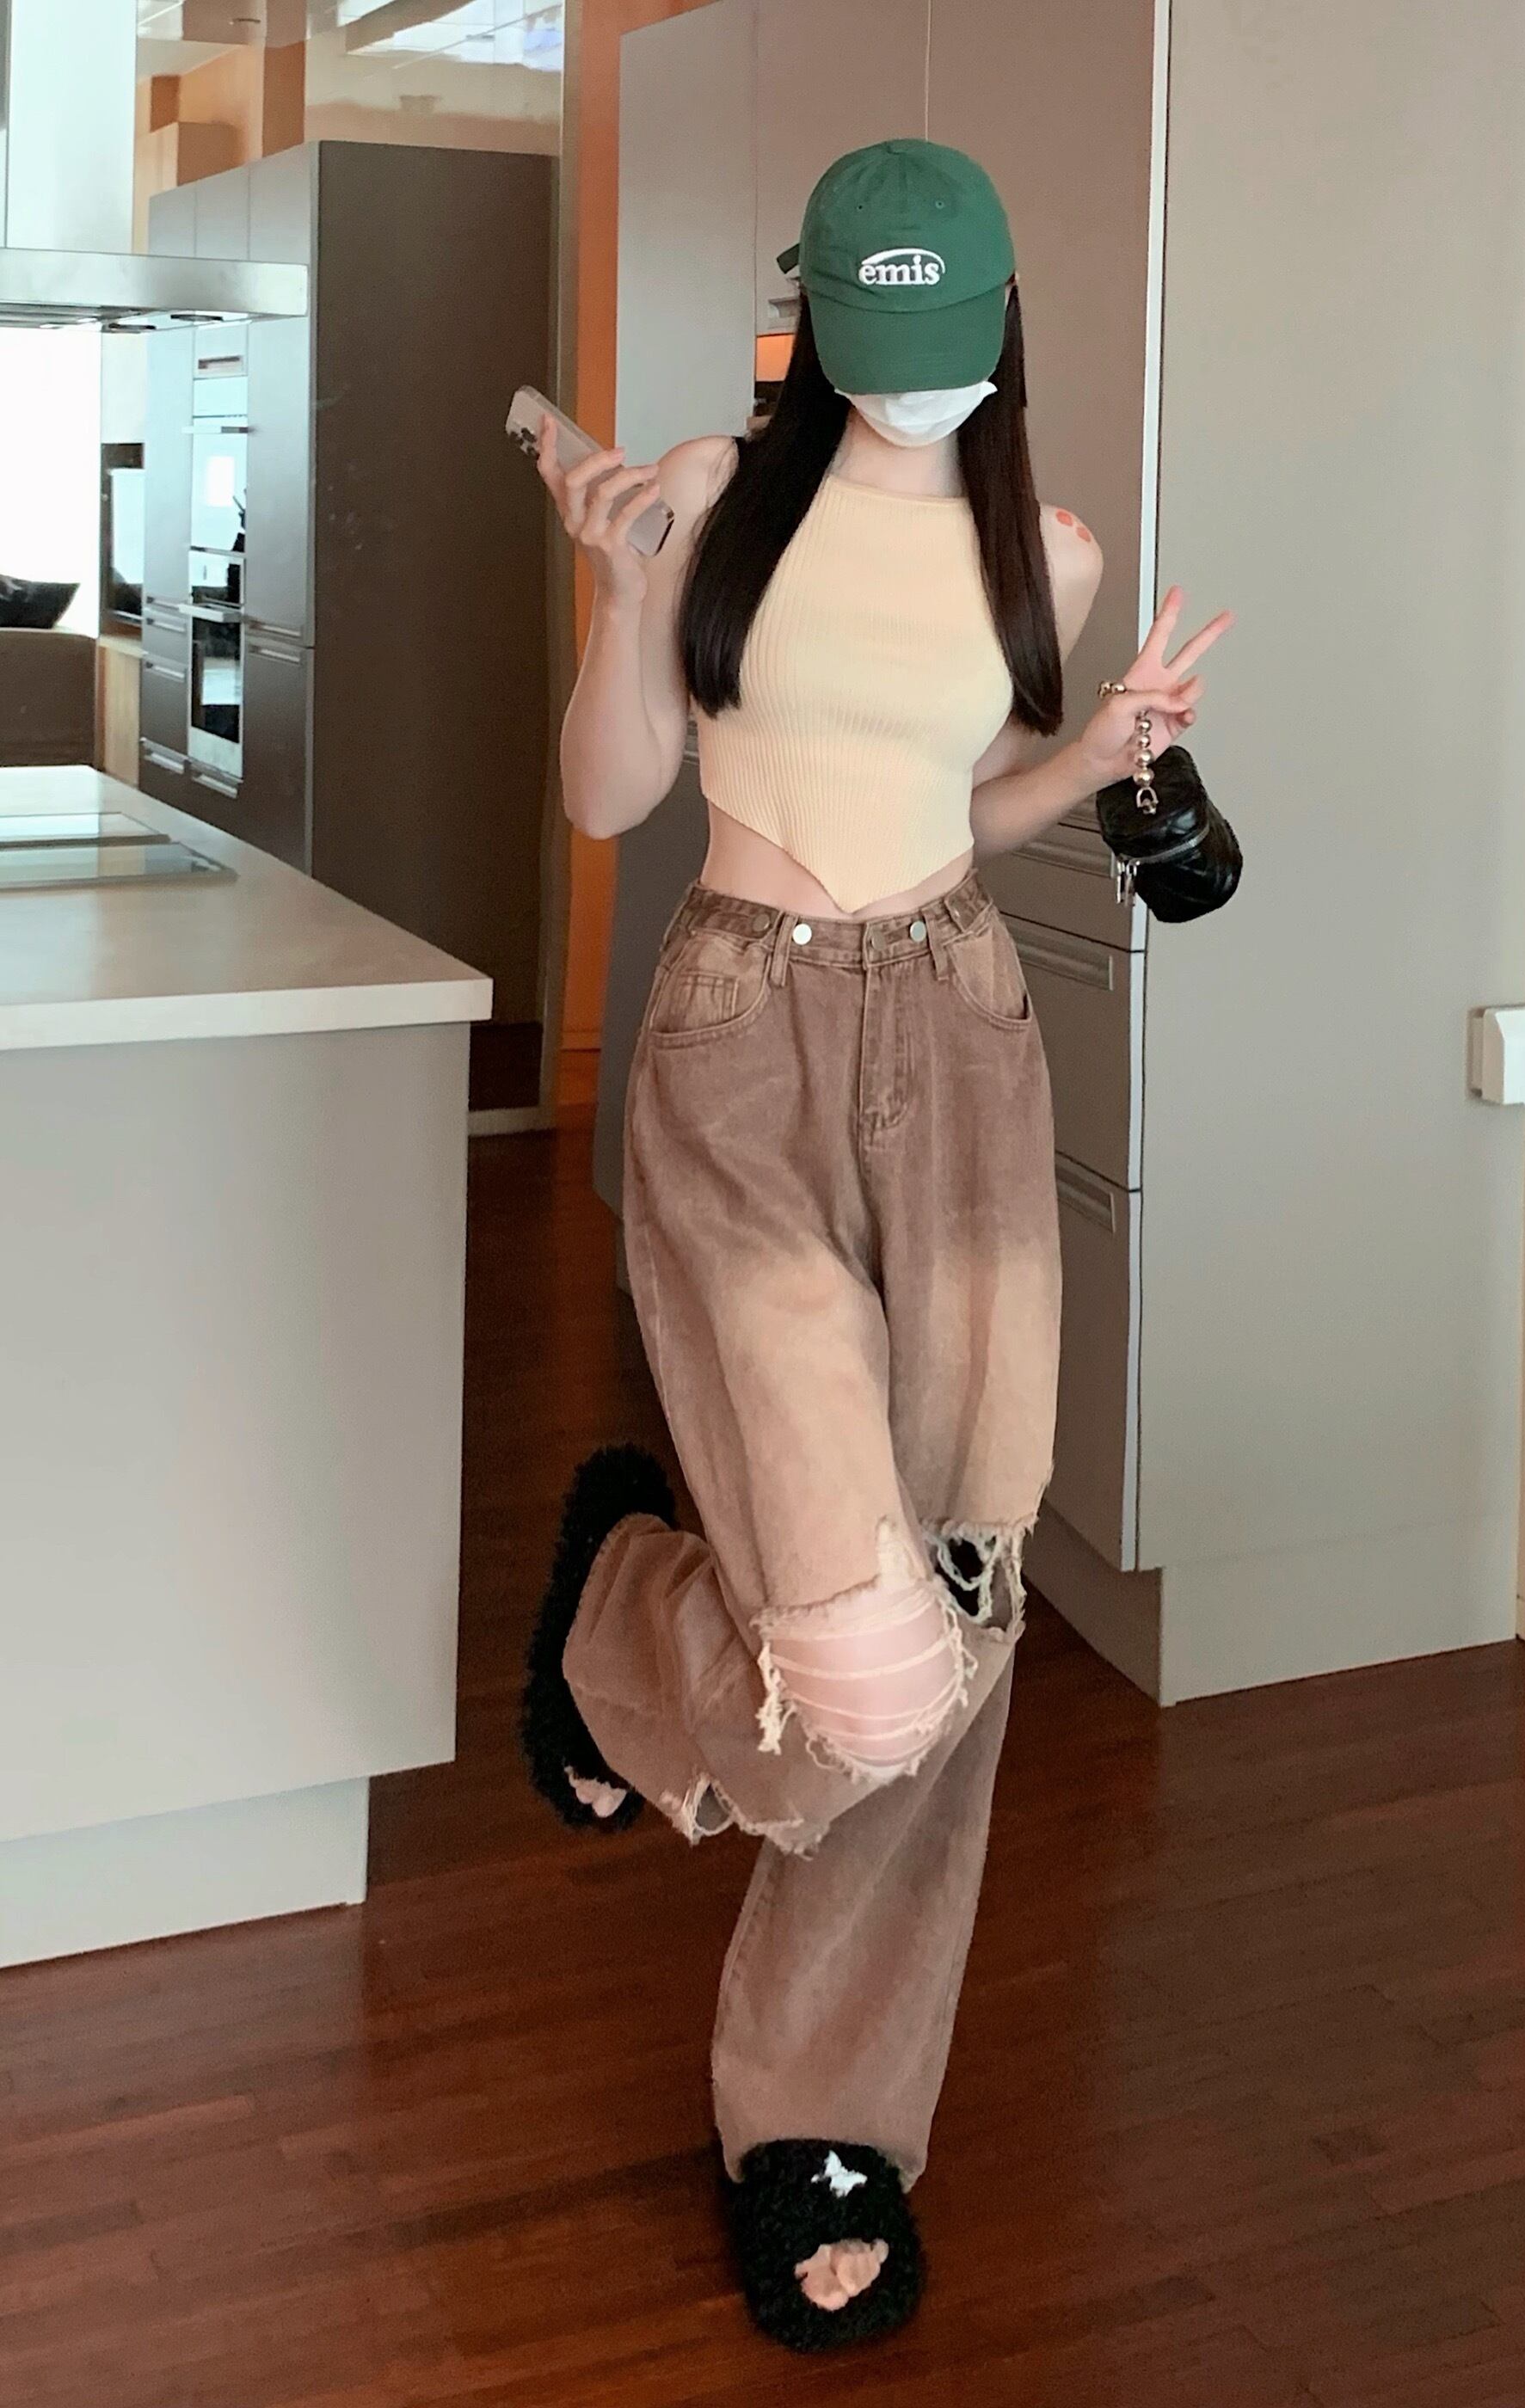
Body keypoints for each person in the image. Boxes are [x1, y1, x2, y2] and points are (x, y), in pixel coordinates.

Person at [521, 137, 1231, 2354]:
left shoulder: (1050, 551)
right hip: (742, 1044)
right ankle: (632, 1615)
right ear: (813, 315)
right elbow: (612, 796)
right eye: (869, 333)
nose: (908, 375)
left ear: (998, 322)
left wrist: (1099, 752)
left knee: (961, 1592)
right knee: (862, 1666)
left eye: (942, 337)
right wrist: (625, 593)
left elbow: (964, 807)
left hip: (965, 1039)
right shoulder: (715, 497)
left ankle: (822, 2123)